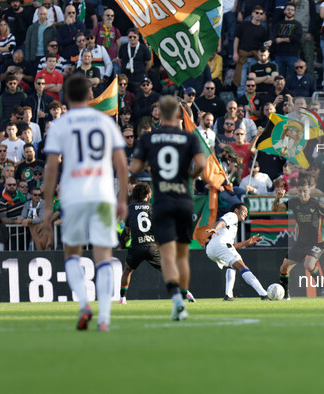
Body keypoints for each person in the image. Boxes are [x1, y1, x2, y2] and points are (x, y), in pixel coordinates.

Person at [42, 74, 128, 331]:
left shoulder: (60, 125)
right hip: (102, 194)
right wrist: (121, 199)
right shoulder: (105, 122)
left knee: (72, 253)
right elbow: (122, 166)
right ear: (90, 95)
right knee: (103, 256)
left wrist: (47, 206)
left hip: (73, 196)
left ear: (66, 96)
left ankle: (83, 304)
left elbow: (50, 169)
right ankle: (105, 318)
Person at [129, 95, 206, 321]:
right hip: (183, 200)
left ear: (159, 114)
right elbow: (202, 164)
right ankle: (183, 296)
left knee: (167, 256)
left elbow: (135, 166)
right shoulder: (188, 137)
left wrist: (151, 168)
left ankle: (177, 301)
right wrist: (190, 177)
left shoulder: (150, 138)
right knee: (182, 255)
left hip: (162, 201)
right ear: (178, 115)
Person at [119, 182, 195, 304]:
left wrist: (126, 238)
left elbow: (126, 232)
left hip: (137, 246)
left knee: (127, 270)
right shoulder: (154, 208)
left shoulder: (129, 209)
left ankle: (122, 298)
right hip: (152, 247)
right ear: (148, 194)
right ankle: (186, 293)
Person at [272, 178, 324, 300]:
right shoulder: (294, 202)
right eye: (300, 191)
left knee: (309, 264)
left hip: (317, 243)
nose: (302, 194)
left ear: (309, 190)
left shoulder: (317, 204)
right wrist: (278, 198)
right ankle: (285, 294)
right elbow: (275, 209)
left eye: (304, 191)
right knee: (284, 267)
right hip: (301, 243)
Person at [205, 203, 268, 301]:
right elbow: (222, 222)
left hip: (210, 250)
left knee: (232, 265)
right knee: (242, 267)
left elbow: (231, 247)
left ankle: (228, 295)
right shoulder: (232, 215)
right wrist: (215, 228)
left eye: (247, 213)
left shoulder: (232, 226)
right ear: (236, 210)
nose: (246, 214)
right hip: (220, 245)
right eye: (244, 211)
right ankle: (264, 294)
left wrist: (246, 242)